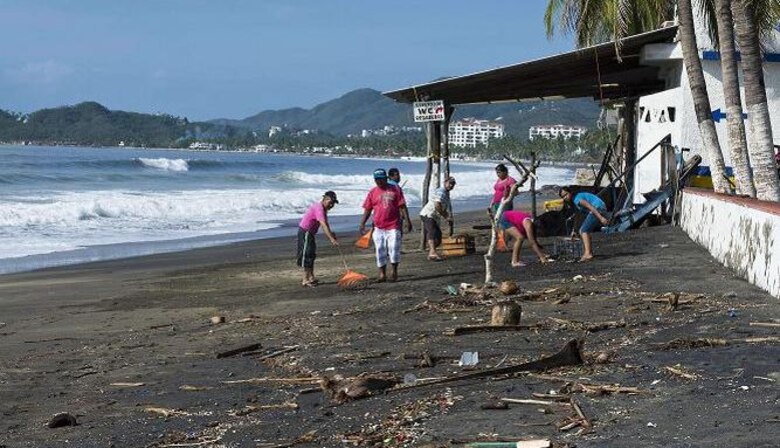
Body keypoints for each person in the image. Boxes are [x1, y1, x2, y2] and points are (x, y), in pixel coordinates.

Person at [359, 169, 413, 282]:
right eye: (377, 180)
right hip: (378, 226)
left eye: (381, 179)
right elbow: (368, 209)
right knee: (380, 249)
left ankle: (394, 272)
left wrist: (408, 220)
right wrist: (362, 223)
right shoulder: (372, 192)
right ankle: (382, 274)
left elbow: (402, 206)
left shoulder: (395, 189)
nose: (379, 182)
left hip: (393, 225)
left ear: (386, 178)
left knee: (394, 248)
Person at [296, 191, 339, 287]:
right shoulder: (319, 208)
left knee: (311, 254)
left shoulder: (323, 209)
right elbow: (323, 225)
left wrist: (331, 234)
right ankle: (305, 279)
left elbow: (325, 223)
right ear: (325, 199)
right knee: (307, 254)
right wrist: (331, 239)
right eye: (330, 202)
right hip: (305, 232)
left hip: (310, 233)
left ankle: (311, 277)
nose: (331, 205)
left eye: (333, 203)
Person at [559, 186, 608, 262]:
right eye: (563, 197)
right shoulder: (574, 201)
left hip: (597, 208)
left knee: (583, 231)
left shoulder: (577, 198)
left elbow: (590, 206)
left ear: (570, 192)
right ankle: (588, 252)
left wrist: (601, 218)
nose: (565, 197)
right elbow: (578, 216)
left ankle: (588, 254)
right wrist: (574, 230)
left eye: (566, 194)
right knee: (584, 230)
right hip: (598, 208)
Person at [420, 176, 456, 261]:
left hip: (434, 216)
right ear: (445, 182)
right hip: (428, 214)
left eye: (453, 184)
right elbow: (437, 205)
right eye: (450, 183)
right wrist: (446, 216)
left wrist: (448, 217)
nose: (451, 185)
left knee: (438, 236)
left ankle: (431, 252)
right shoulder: (441, 191)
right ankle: (432, 252)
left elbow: (443, 207)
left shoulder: (446, 193)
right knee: (431, 231)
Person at [489, 164, 516, 249]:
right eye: (497, 172)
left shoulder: (510, 180)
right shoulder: (498, 180)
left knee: (505, 223)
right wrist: (491, 203)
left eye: (499, 172)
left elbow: (515, 192)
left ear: (505, 172)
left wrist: (507, 197)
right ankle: (501, 243)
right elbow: (496, 192)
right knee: (498, 223)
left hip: (505, 204)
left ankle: (506, 243)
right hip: (496, 204)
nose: (498, 174)